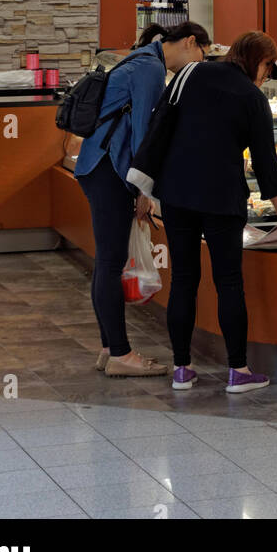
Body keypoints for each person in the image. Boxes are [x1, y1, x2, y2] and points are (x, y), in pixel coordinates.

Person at [155, 30, 277, 394]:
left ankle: (181, 370)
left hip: (176, 192)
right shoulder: (251, 97)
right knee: (228, 283)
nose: (267, 76)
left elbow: (162, 124)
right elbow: (267, 165)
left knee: (183, 279)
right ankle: (238, 370)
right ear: (259, 61)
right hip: (221, 198)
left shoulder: (193, 73)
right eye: (268, 67)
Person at [74, 20, 211, 376]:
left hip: (98, 165)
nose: (200, 63)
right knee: (109, 261)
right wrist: (143, 190)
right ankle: (120, 354)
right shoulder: (150, 69)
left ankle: (110, 348)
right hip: (110, 169)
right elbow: (142, 136)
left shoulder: (140, 58)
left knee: (107, 260)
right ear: (191, 43)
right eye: (201, 54)